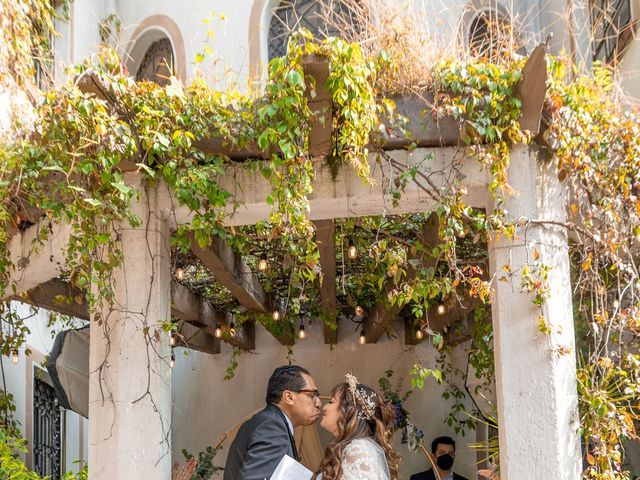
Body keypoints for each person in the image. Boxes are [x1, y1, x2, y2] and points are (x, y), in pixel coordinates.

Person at [223, 365, 321, 480]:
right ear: (289, 397)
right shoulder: (272, 428)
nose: (318, 404)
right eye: (311, 395)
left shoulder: (268, 421)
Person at [315, 374, 400, 480]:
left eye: (331, 402)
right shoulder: (351, 448)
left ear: (348, 412)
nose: (325, 407)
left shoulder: (358, 450)